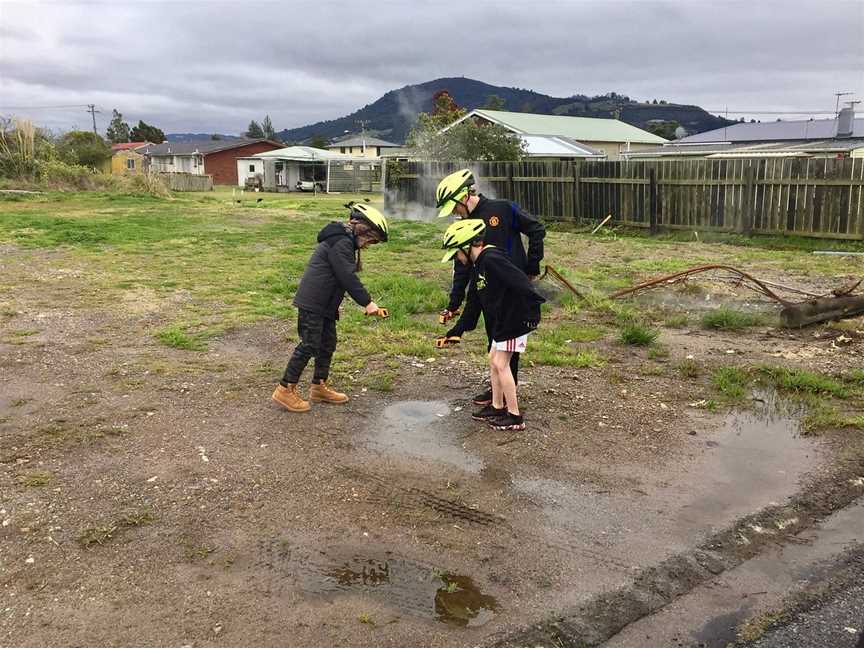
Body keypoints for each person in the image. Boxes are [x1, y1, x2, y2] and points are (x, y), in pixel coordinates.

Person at [434, 169, 545, 406]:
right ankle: (497, 391)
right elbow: (461, 268)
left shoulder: (503, 208)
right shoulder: (464, 227)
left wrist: (531, 267)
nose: (454, 213)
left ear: (464, 196)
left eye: (453, 207)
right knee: (494, 341)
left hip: (512, 290)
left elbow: (537, 229)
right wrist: (454, 305)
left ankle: (508, 397)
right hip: (485, 290)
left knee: (506, 343)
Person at [272, 203, 389, 412]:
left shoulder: (344, 241)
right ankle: (285, 389)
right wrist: (368, 302)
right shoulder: (341, 242)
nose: (369, 244)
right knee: (309, 344)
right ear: (362, 228)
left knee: (327, 344)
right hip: (313, 303)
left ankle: (318, 386)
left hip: (325, 304)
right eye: (371, 239)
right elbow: (347, 276)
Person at [440, 219, 545, 431]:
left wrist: (532, 312)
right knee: (493, 359)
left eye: (457, 254)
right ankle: (497, 407)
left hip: (516, 318)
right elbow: (473, 303)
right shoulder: (479, 264)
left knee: (501, 364)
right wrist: (456, 331)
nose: (458, 260)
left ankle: (515, 416)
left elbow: (522, 282)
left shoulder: (493, 259)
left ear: (469, 246)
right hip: (502, 320)